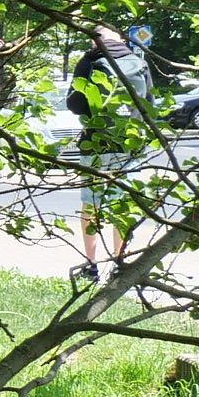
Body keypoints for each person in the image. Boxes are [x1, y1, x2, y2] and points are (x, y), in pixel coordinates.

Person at [68, 24, 142, 283]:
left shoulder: (90, 61)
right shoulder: (137, 61)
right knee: (123, 205)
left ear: (95, 42)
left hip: (95, 142)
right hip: (129, 142)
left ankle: (91, 265)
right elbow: (149, 104)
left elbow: (74, 104)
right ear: (121, 39)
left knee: (92, 204)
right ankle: (120, 262)